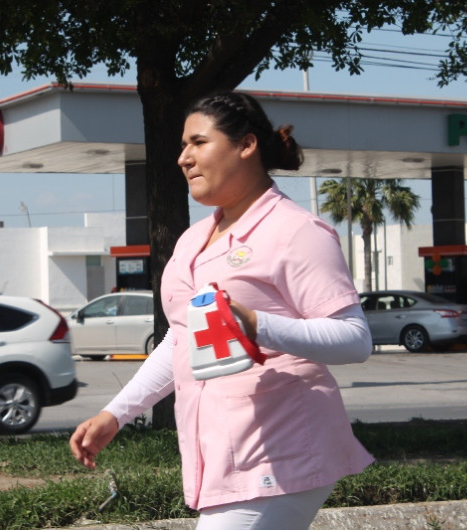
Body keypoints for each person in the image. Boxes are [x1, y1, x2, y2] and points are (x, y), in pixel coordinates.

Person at [70, 91, 374, 530]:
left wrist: (255, 323)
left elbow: (354, 338)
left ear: (246, 145)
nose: (183, 158)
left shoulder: (296, 232)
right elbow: (183, 337)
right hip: (220, 452)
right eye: (182, 146)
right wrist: (116, 413)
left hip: (283, 447)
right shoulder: (193, 240)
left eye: (198, 143)